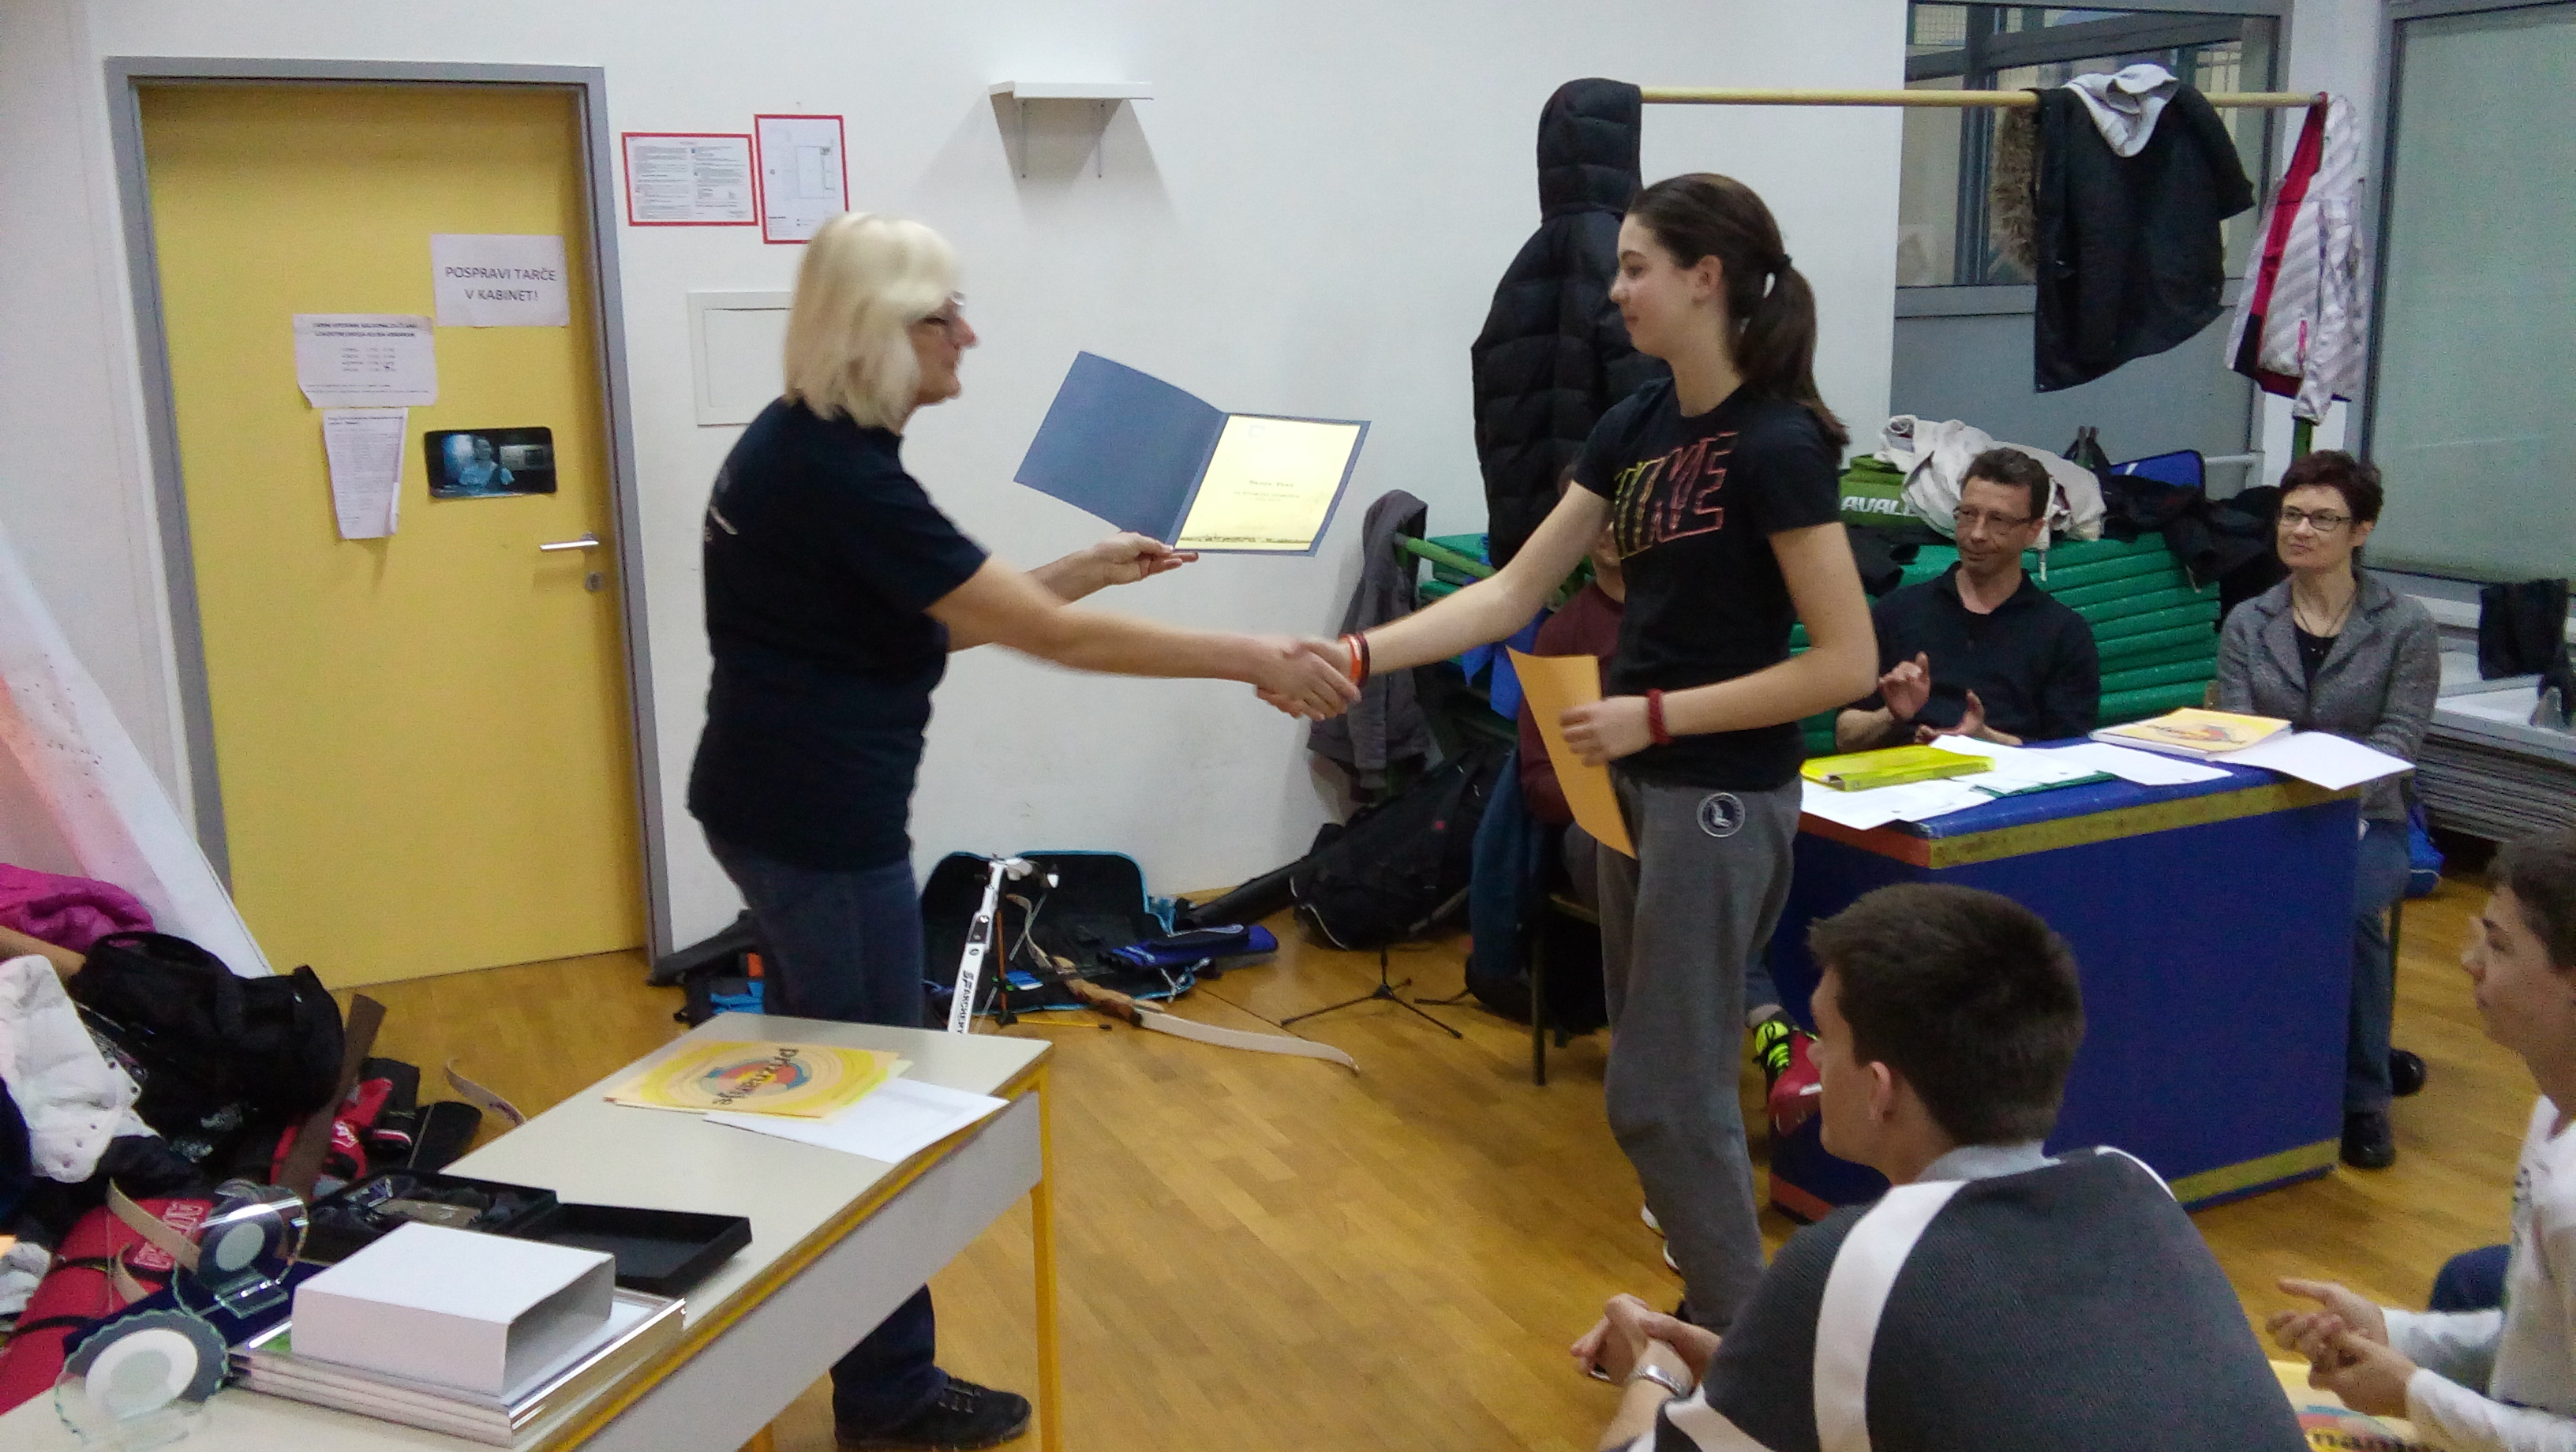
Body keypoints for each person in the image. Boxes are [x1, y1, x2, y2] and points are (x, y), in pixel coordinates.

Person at [687, 212, 1354, 1451]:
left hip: (773, 813)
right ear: (881, 330)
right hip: (820, 833)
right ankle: (885, 1401)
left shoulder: (801, 447)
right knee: (868, 1109)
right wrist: (1251, 656)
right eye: (944, 314)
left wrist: (1084, 569)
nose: (969, 334)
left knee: (838, 1089)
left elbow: (934, 620)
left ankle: (841, 1366)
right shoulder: (842, 479)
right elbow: (1045, 640)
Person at [1344, 172, 1879, 1332]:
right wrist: (1355, 655)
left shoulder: (1779, 443)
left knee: (1661, 1095)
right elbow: (1511, 593)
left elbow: (1844, 663)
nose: (1617, 290)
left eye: (1637, 268)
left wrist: (1659, 716)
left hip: (1718, 797)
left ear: (1706, 278)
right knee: (1665, 1087)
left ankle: (1743, 1341)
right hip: (1635, 793)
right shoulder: (1634, 427)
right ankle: (1728, 1311)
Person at [1575, 884, 2305, 1452]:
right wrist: (1755, 1375)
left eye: (1824, 1035)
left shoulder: (1853, 1260)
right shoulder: (2133, 1182)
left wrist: (1654, 1372)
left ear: (1880, 1089)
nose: (1813, 1057)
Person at [2270, 829, 2576, 1452]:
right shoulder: (2553, 1108)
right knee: (2472, 1280)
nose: (2469, 961)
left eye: (2498, 946)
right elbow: (2537, 1350)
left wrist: (2415, 1394)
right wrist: (2391, 1333)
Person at [2215, 449, 2439, 1169]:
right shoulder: (2249, 621)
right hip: (2269, 812)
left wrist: (2331, 785)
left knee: (2345, 907)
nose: (2301, 530)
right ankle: (2255, 1071)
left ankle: (2362, 1098)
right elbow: (2239, 729)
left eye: (2322, 518)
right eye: (2291, 515)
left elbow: (2399, 739)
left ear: (2361, 531)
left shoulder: (2405, 625)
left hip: (2368, 816)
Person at [1833, 447, 2100, 750]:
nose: (1977, 534)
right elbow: (1845, 736)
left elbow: (2071, 753)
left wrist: (1984, 739)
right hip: (1905, 771)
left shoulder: (2063, 633)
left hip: (2006, 774)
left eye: (1998, 520)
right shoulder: (1897, 612)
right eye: (1968, 515)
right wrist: (1891, 715)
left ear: (2033, 531)